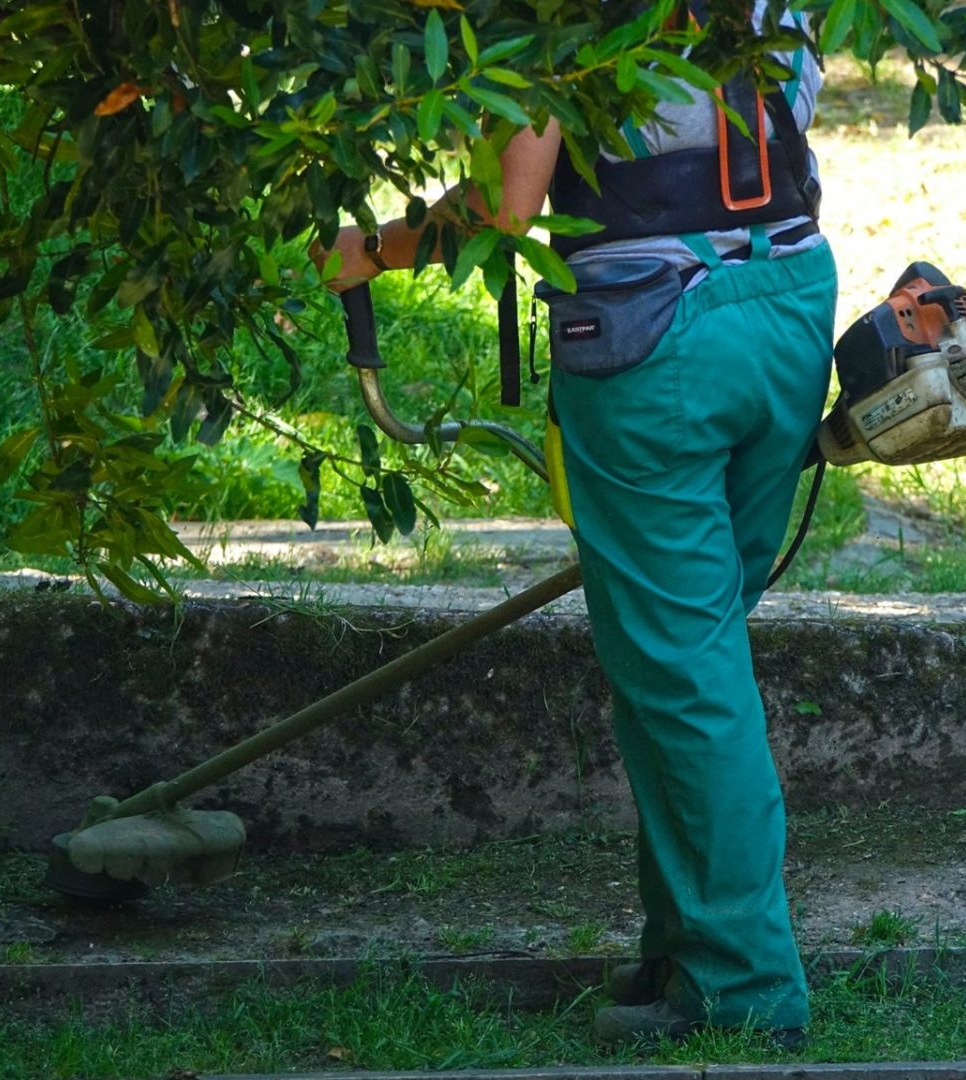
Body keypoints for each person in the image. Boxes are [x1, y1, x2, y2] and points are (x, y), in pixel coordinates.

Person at [316, 5, 833, 1048]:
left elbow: (511, 208)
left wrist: (373, 248)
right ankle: (687, 948)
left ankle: (745, 994)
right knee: (689, 654)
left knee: (685, 672)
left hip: (657, 338)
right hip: (787, 304)